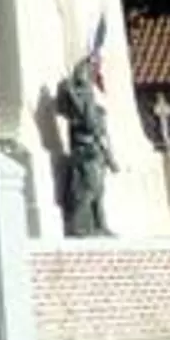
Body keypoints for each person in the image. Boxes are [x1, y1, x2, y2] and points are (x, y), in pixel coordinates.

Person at [56, 48, 115, 237]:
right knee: (88, 189)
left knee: (98, 191)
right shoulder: (80, 97)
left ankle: (100, 224)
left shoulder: (87, 99)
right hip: (85, 151)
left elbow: (96, 127)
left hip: (94, 151)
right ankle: (80, 226)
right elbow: (89, 124)